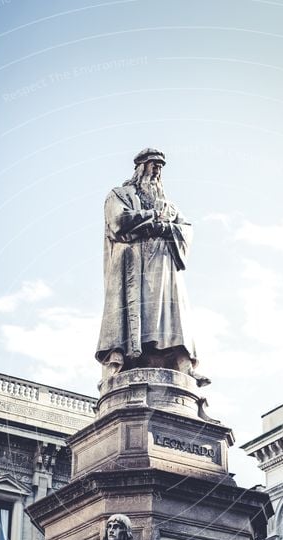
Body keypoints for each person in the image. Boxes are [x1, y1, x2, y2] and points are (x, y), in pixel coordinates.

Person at [96, 148, 209, 386]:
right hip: (132, 268)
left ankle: (184, 365)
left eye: (160, 167)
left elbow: (186, 230)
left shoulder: (170, 206)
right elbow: (119, 221)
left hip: (164, 272)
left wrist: (165, 227)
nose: (157, 171)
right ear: (140, 167)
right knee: (130, 316)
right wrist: (154, 216)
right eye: (152, 165)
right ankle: (121, 363)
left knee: (173, 315)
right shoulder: (119, 195)